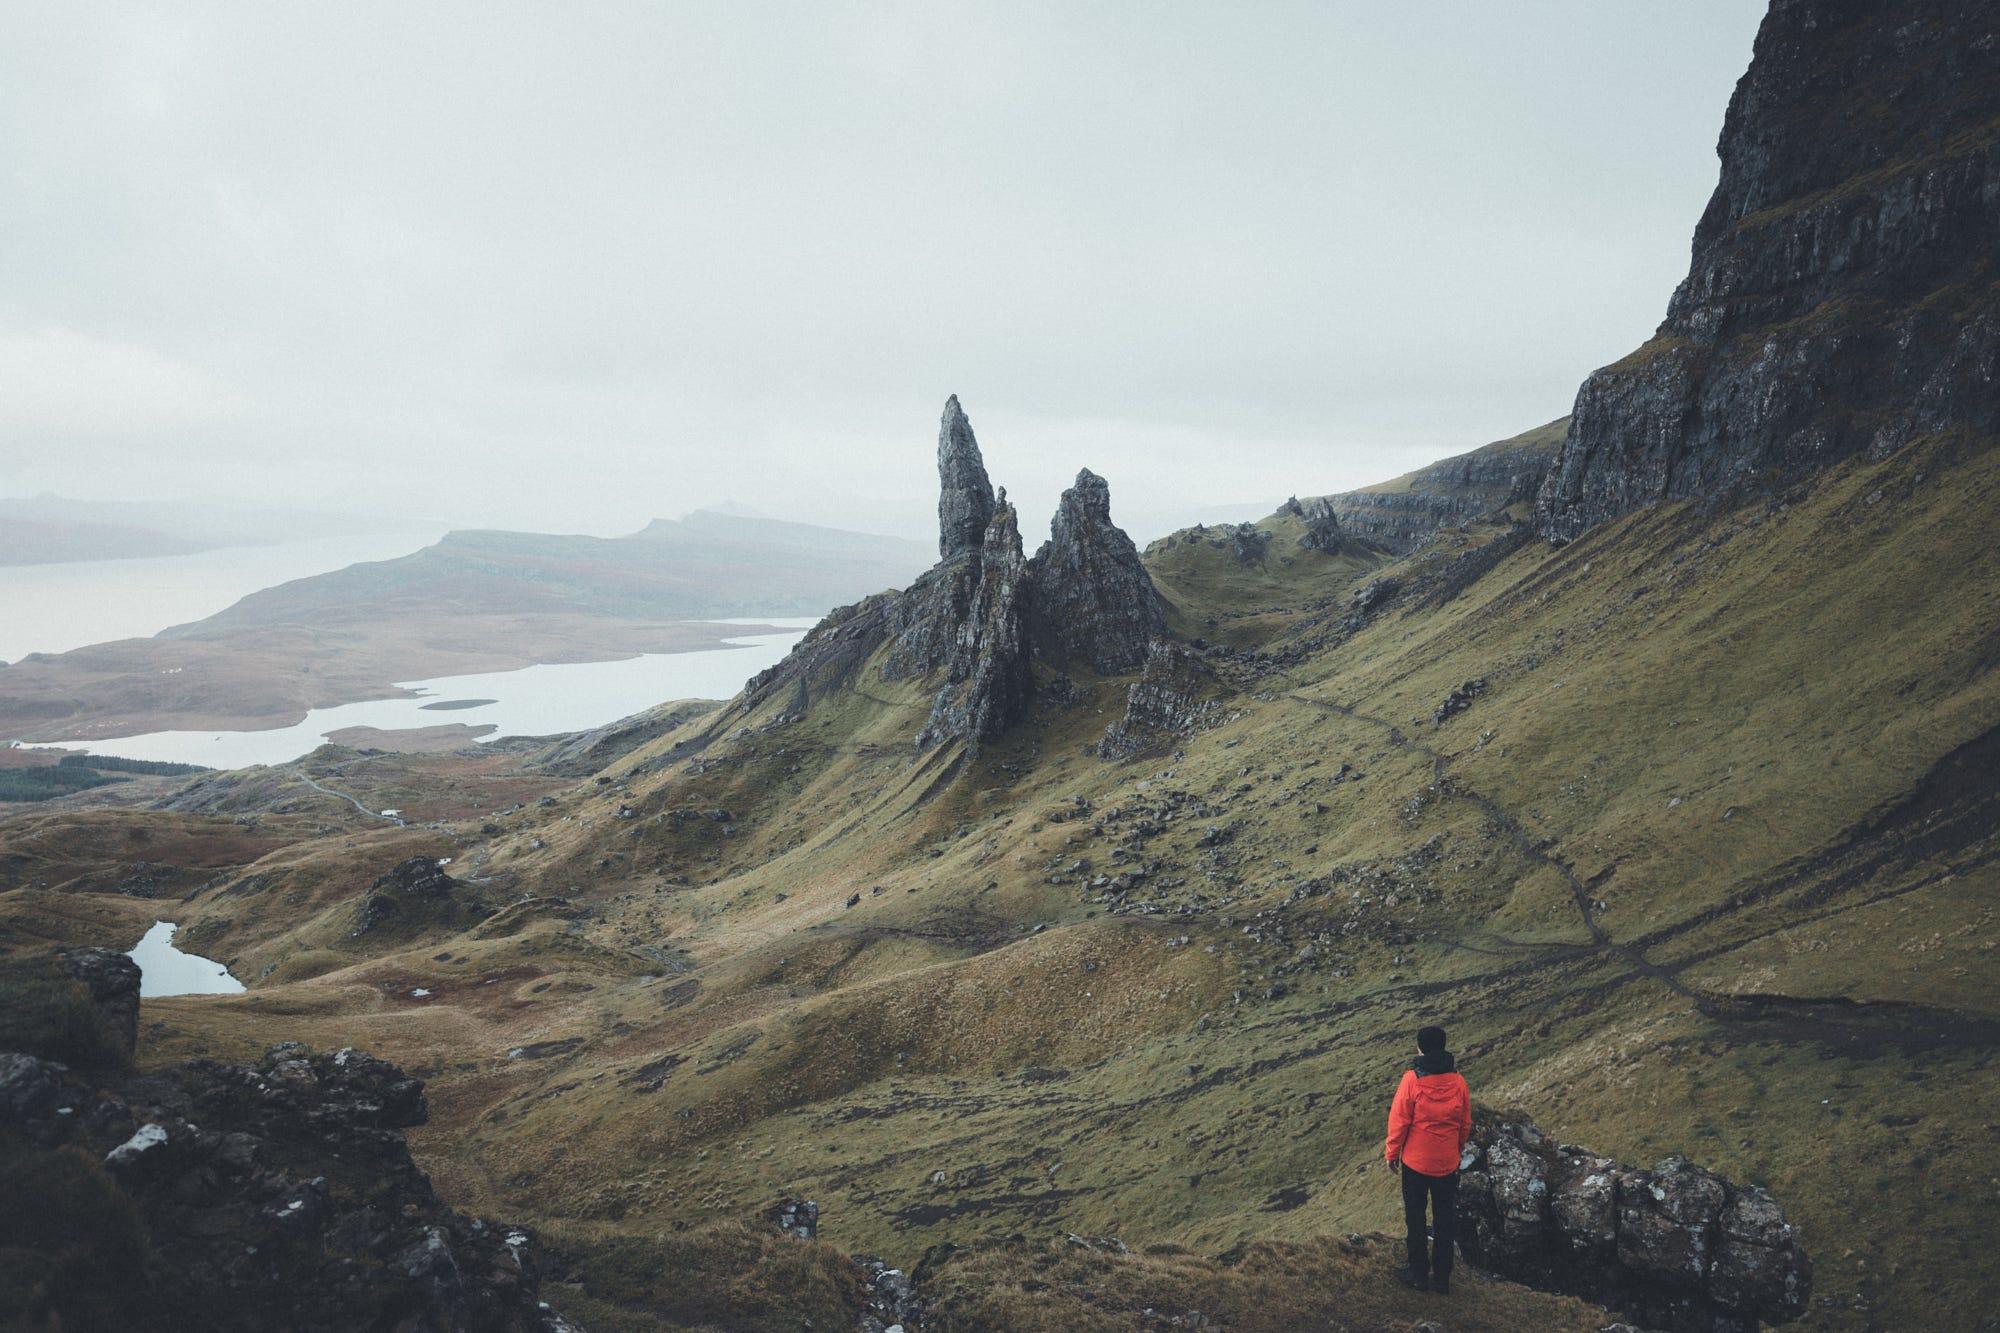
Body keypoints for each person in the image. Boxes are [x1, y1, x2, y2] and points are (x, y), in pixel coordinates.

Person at [1383, 1024, 1471, 1295]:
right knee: (1445, 1220)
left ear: (1422, 1047)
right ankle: (1442, 1278)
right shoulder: (1458, 1081)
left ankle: (1418, 1273)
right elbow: (1464, 1123)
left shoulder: (1412, 1079)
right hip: (1447, 1163)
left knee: (1416, 1218)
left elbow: (1399, 1120)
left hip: (1416, 1163)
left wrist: (1392, 1153)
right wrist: (1456, 1148)